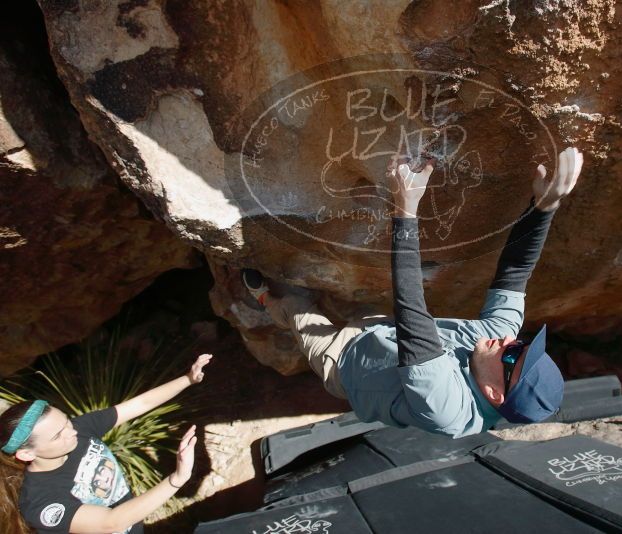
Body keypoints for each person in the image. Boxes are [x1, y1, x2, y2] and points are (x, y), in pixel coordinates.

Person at [242, 147, 583, 438]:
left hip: (343, 362)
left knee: (299, 310)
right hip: (380, 328)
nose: (511, 342)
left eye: (513, 358)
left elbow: (412, 315)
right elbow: (515, 273)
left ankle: (268, 302)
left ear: (494, 393)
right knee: (332, 305)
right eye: (522, 344)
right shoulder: (497, 343)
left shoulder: (448, 410)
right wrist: (542, 209)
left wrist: (404, 207)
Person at [0, 353, 212, 533]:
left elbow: (140, 404)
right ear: (27, 454)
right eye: (57, 436)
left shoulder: (77, 431)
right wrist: (177, 478)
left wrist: (188, 379)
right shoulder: (40, 502)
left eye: (66, 421)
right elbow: (110, 522)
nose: (71, 431)